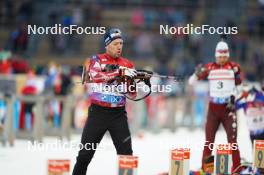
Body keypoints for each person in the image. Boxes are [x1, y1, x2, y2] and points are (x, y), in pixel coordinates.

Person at [72, 28, 138, 175]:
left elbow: (133, 95)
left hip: (118, 115)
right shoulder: (96, 59)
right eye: (115, 44)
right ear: (107, 45)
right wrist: (119, 73)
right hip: (98, 114)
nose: (119, 46)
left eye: (121, 43)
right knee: (84, 155)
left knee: (127, 155)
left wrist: (131, 81)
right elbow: (95, 76)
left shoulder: (128, 64)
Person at [188, 40, 243, 173]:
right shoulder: (209, 68)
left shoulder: (233, 67)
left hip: (228, 109)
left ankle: (236, 169)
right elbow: (191, 82)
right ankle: (206, 169)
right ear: (215, 56)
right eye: (220, 57)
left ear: (228, 55)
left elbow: (240, 88)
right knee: (209, 141)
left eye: (225, 56)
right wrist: (196, 73)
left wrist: (233, 97)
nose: (222, 59)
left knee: (232, 141)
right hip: (213, 108)